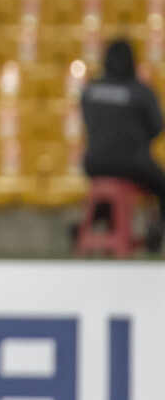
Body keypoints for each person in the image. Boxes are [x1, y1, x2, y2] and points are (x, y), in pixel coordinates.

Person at [82, 38, 165, 252]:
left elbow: (88, 123)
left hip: (94, 163)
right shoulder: (141, 92)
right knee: (162, 184)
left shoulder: (91, 89)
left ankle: (101, 227)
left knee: (109, 186)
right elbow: (157, 128)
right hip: (133, 164)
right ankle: (159, 232)